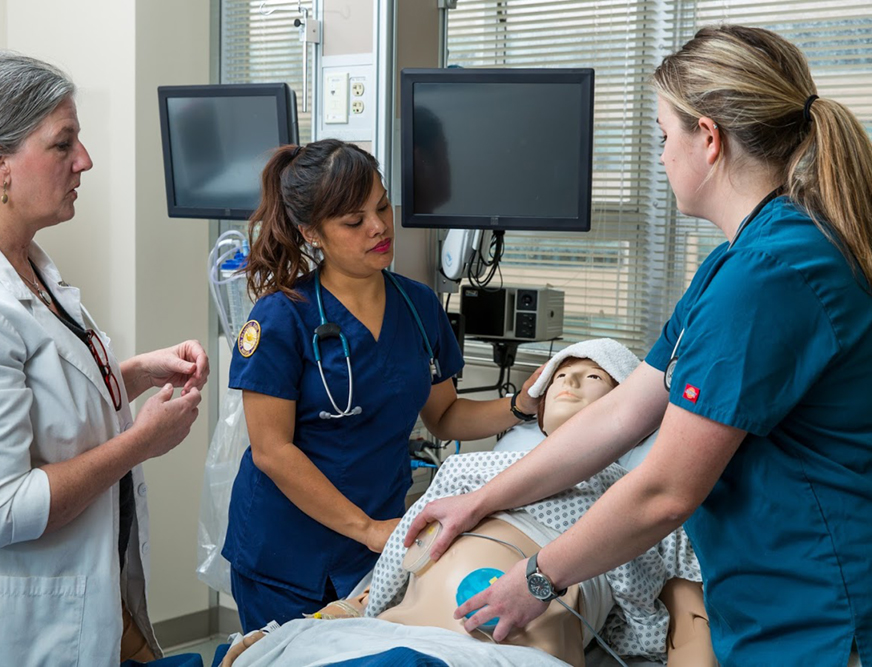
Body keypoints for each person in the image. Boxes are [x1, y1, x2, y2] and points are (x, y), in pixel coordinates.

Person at [405, 24, 872, 665]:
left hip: (820, 610)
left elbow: (664, 492)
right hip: (777, 602)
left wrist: (538, 579)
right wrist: (483, 498)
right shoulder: (739, 262)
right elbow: (624, 412)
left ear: (708, 138)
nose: (659, 155)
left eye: (662, 136)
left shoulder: (770, 276)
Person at [0, 51, 207, 665]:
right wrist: (142, 441)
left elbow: (42, 396)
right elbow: (1, 508)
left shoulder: (24, 262)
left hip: (70, 591)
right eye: (63, 144)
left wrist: (134, 374)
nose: (84, 161)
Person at [220, 340, 715, 667]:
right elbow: (398, 561)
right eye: (564, 373)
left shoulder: (641, 493)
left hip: (508, 651)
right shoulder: (467, 471)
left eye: (594, 378)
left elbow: (689, 620)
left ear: (632, 412)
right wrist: (343, 612)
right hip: (394, 632)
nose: (570, 381)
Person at [225, 138, 545, 631]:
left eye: (382, 206)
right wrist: (369, 529)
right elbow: (272, 450)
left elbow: (444, 417)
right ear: (312, 232)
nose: (378, 227)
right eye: (354, 222)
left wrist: (522, 406)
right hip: (285, 554)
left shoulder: (418, 307)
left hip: (377, 548)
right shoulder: (281, 315)